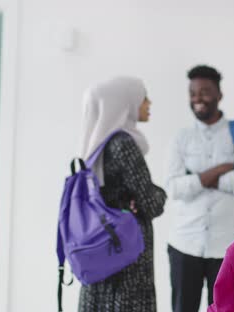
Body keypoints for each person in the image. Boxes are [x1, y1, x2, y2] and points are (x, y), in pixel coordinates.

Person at [164, 65, 234, 312]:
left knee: (226, 309)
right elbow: (174, 187)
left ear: (219, 94)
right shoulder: (180, 137)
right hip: (185, 243)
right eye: (193, 93)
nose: (198, 99)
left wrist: (195, 178)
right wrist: (218, 171)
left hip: (227, 245)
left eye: (205, 92)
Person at [78, 77, 166, 312]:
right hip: (127, 262)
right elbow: (152, 202)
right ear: (124, 102)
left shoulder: (94, 146)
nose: (148, 103)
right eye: (143, 97)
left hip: (101, 258)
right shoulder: (122, 144)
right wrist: (161, 194)